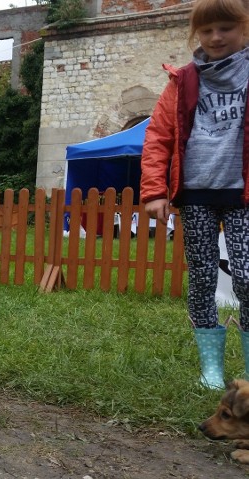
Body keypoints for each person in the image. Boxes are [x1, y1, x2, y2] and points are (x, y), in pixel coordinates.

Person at [141, 0, 249, 390]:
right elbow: (158, 137)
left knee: (248, 278)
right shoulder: (183, 80)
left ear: (244, 28)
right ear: (196, 35)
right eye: (207, 31)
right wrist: (155, 190)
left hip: (243, 193)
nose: (216, 37)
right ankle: (212, 370)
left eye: (225, 28)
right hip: (196, 193)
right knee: (202, 279)